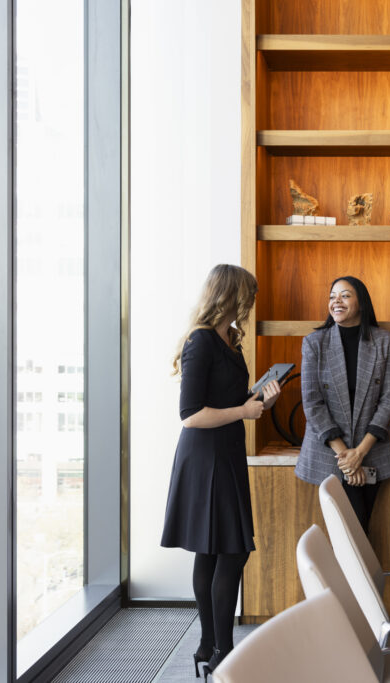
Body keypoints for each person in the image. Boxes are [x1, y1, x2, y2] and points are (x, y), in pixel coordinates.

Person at [160, 264, 280, 679]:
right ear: (229, 294)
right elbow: (190, 415)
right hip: (205, 457)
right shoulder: (201, 342)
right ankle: (222, 650)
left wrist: (259, 400)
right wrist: (244, 411)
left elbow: (230, 402)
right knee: (229, 550)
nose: (253, 300)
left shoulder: (230, 340)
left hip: (225, 455)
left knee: (214, 552)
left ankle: (209, 646)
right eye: (250, 292)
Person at [295, 276, 390, 533]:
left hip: (371, 451)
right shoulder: (314, 343)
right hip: (330, 455)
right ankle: (354, 575)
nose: (336, 301)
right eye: (332, 296)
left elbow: (389, 399)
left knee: (358, 534)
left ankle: (355, 575)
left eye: (345, 295)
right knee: (351, 536)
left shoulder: (384, 340)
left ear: (361, 302)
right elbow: (312, 402)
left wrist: (360, 454)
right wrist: (346, 458)